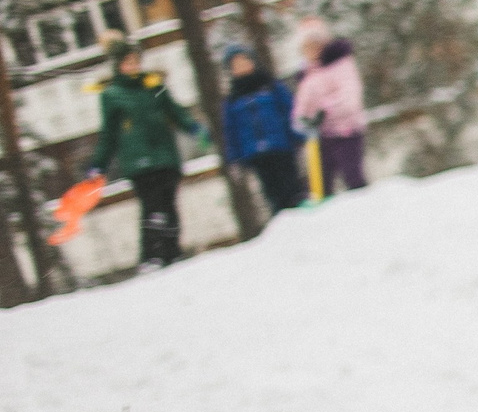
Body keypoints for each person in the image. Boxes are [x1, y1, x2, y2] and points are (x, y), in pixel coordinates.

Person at [88, 37, 207, 270]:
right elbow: (109, 133)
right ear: (118, 65)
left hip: (165, 157)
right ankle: (151, 256)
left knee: (169, 205)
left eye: (135, 61)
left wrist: (194, 128)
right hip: (138, 162)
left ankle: (173, 251)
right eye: (127, 62)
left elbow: (175, 112)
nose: (132, 66)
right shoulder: (112, 94)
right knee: (152, 207)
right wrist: (99, 164)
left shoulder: (154, 85)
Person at [221, 44, 305, 215]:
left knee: (292, 186)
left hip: (280, 147)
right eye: (235, 65)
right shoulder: (232, 99)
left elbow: (290, 111)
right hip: (256, 153)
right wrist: (234, 158)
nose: (241, 67)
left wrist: (298, 136)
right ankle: (283, 222)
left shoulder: (271, 87)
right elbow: (230, 131)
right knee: (272, 192)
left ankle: (300, 215)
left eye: (244, 61)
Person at [292, 16, 368, 194]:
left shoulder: (341, 65)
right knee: (319, 183)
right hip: (322, 137)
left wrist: (325, 110)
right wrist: (302, 120)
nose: (313, 50)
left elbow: (350, 96)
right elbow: (301, 107)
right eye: (308, 46)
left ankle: (366, 205)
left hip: (347, 131)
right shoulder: (307, 76)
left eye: (316, 44)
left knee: (352, 176)